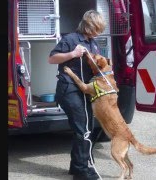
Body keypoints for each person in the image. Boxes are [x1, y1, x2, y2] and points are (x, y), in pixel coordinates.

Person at [48, 10, 105, 180]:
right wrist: (72, 54)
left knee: (86, 127)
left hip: (84, 90)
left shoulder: (93, 44)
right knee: (83, 128)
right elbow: (52, 59)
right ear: (88, 25)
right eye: (98, 28)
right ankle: (81, 171)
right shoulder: (70, 39)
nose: (99, 32)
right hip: (69, 89)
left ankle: (76, 166)